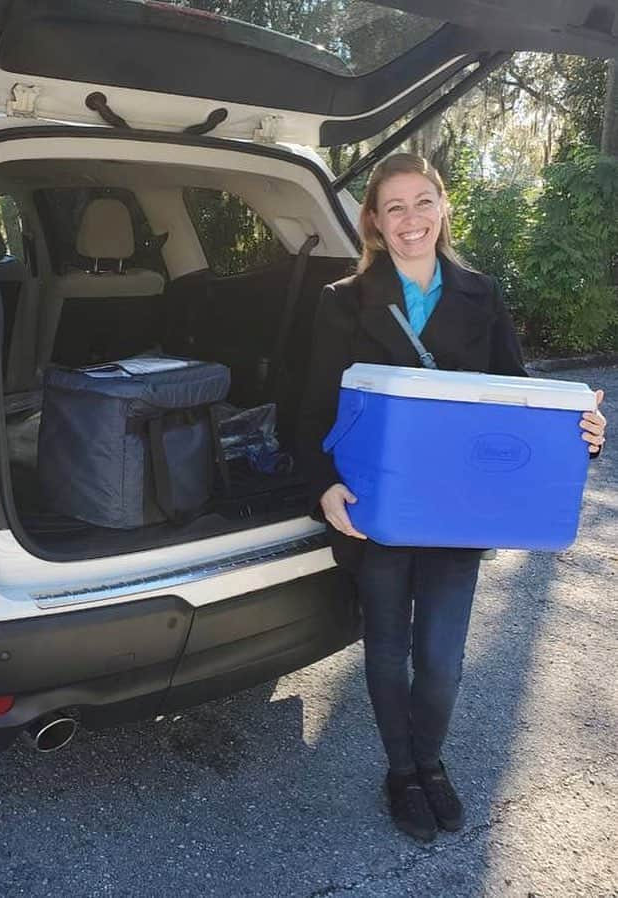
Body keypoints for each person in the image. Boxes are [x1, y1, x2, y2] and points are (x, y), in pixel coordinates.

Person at [297, 153, 607, 843]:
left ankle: (428, 761)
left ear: (442, 206)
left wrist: (579, 433)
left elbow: (516, 399)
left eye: (422, 202)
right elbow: (312, 405)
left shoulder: (479, 293)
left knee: (440, 658)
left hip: (456, 509)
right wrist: (320, 486)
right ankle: (402, 772)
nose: (411, 221)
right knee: (385, 648)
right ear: (373, 221)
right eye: (394, 208)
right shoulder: (342, 299)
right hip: (375, 508)